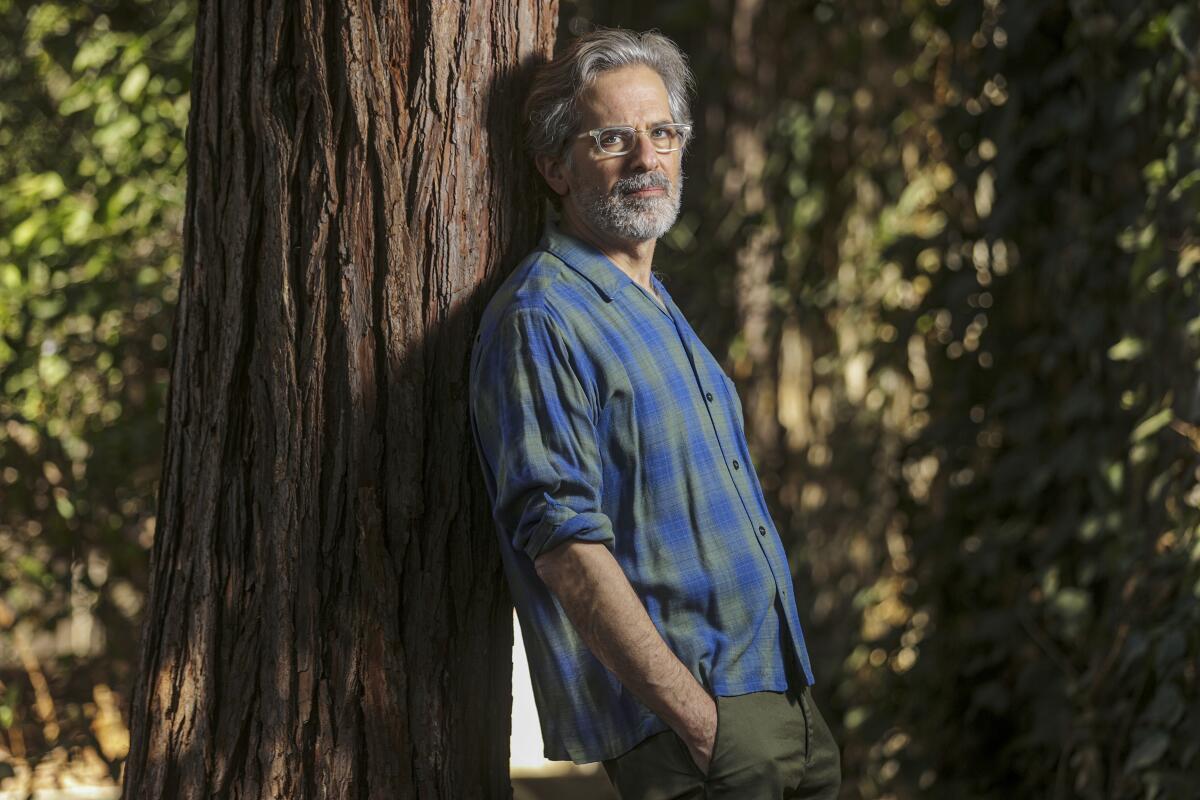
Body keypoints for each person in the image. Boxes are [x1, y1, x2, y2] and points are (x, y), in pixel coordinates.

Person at [468, 27, 841, 799]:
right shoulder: (544, 317)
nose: (647, 159)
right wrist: (701, 729)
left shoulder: (653, 302)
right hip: (696, 740)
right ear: (553, 167)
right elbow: (563, 545)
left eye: (662, 132)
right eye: (612, 139)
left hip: (786, 710)